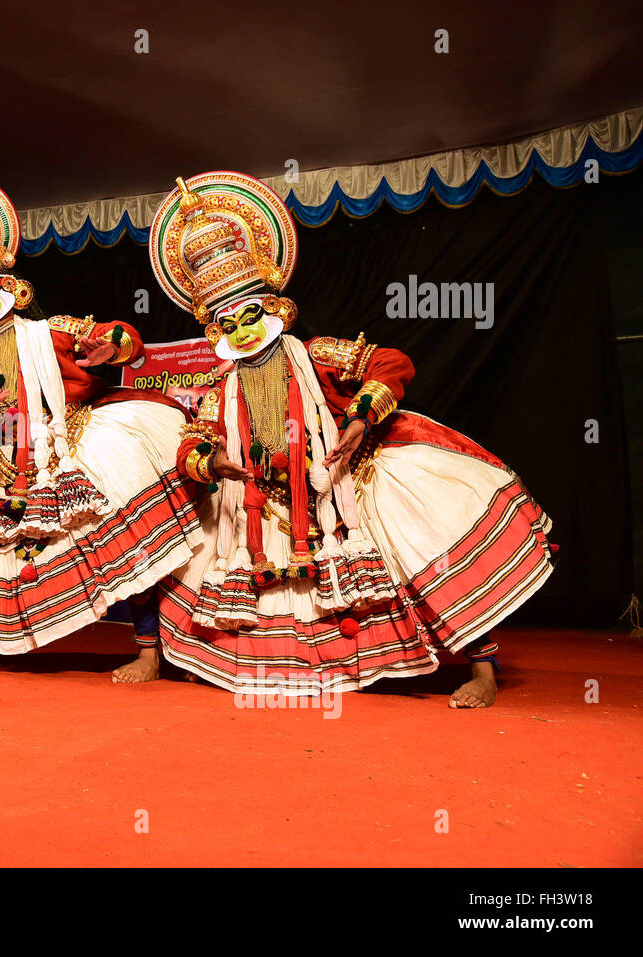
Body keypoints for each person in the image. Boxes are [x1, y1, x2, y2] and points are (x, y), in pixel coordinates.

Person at [148, 171, 555, 707]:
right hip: (265, 504)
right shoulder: (220, 385)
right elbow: (193, 439)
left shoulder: (316, 355)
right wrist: (213, 461)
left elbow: (390, 363)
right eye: (228, 323)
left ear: (273, 309)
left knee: (425, 549)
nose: (242, 331)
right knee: (192, 549)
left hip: (344, 484)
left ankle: (484, 667)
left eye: (249, 315)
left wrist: (361, 418)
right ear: (215, 331)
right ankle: (241, 661)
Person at [0, 174, 199, 679]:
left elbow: (113, 334)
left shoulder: (52, 333)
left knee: (130, 551)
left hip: (67, 448)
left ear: (13, 288)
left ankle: (149, 649)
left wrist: (116, 346)